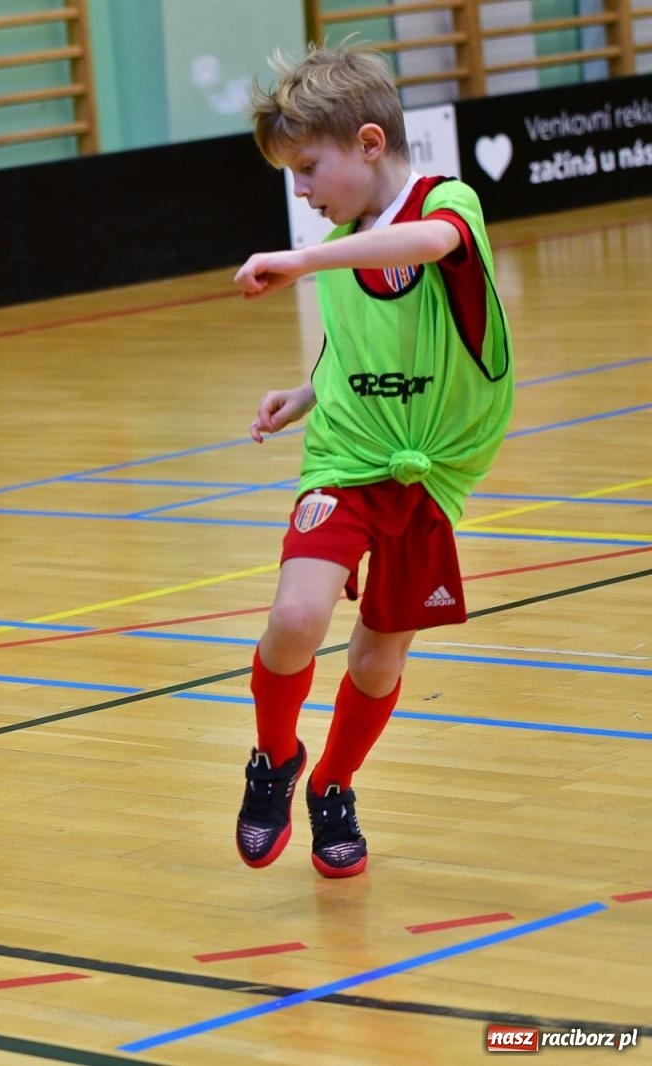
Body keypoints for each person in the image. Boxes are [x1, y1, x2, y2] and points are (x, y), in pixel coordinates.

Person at [230, 42, 513, 878]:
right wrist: (305, 393)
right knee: (295, 619)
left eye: (307, 169)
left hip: (429, 470)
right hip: (348, 455)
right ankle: (274, 757)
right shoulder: (343, 246)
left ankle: (334, 784)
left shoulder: (447, 204)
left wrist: (303, 260)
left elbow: (423, 243)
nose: (301, 192)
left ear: (368, 143)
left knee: (380, 653)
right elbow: (354, 349)